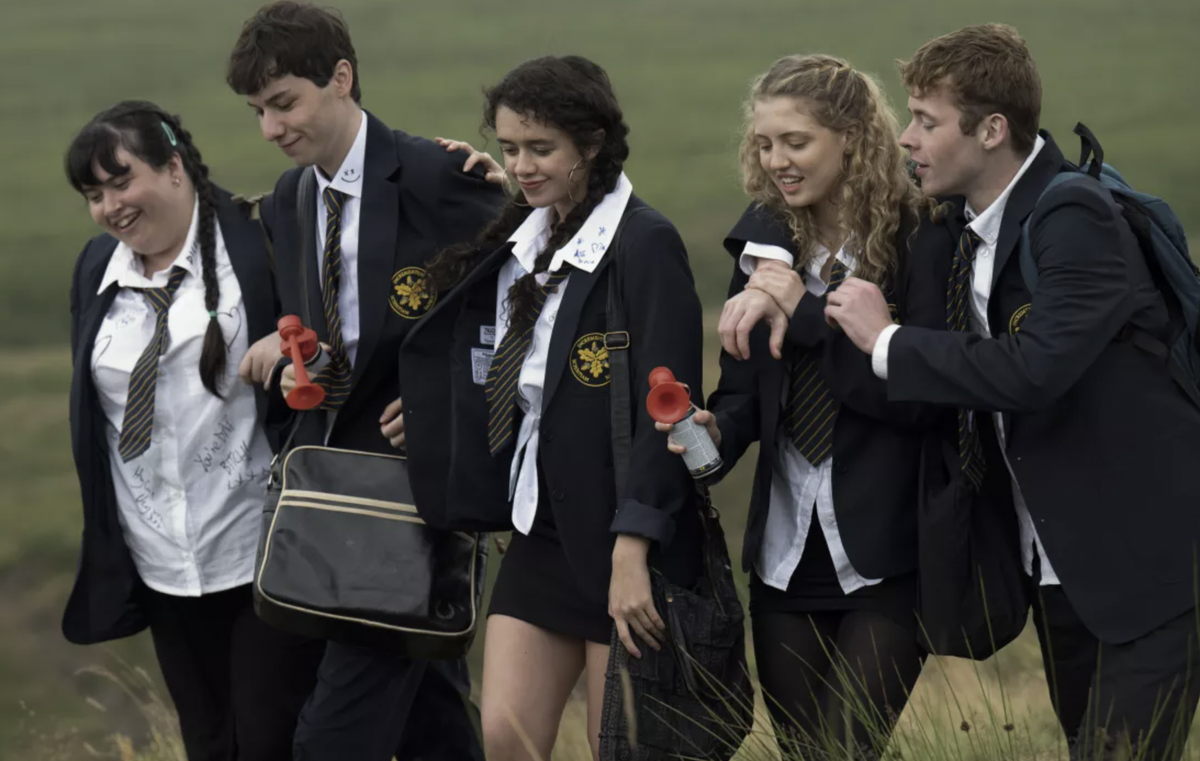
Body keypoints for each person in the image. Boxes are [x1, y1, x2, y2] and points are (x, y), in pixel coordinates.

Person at [825, 23, 1200, 760]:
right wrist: (771, 266)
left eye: (927, 122)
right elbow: (830, 192)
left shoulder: (1074, 217)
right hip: (1061, 568)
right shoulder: (965, 227)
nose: (907, 138)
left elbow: (1035, 369)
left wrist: (886, 341)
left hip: (1150, 565)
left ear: (992, 129)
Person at [401, 55, 705, 761]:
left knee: (618, 748)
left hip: (621, 544)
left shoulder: (644, 244)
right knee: (504, 736)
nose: (523, 165)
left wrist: (634, 550)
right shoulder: (520, 238)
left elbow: (675, 412)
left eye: (541, 149)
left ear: (591, 145)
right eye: (510, 148)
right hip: (537, 535)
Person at [225, 3, 503, 760]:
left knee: (331, 740)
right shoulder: (288, 200)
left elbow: (530, 302)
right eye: (257, 111)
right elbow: (318, 328)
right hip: (331, 497)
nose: (271, 128)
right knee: (433, 724)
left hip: (419, 496)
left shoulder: (439, 176)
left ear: (341, 78)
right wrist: (288, 362)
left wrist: (454, 403)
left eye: (285, 103)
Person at [661, 54, 954, 758]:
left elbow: (920, 400)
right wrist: (713, 430)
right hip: (786, 557)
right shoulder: (765, 252)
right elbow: (741, 397)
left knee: (844, 749)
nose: (777, 160)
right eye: (765, 144)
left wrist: (811, 311)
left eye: (796, 142)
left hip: (888, 556)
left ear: (851, 136)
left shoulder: (922, 240)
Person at [63, 100, 325, 761]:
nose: (110, 206)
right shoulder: (97, 270)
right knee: (209, 744)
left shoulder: (257, 242)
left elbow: (338, 323)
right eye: (94, 194)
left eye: (122, 181)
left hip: (260, 547)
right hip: (161, 562)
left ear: (174, 167)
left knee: (270, 740)